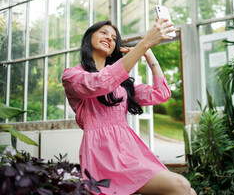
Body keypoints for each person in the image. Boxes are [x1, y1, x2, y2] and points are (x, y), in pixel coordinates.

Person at [62, 19, 196, 195]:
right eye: (103, 32)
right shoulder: (73, 75)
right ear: (89, 38)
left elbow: (161, 92)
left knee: (189, 191)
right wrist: (145, 42)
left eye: (114, 38)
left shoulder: (123, 85)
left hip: (130, 150)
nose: (109, 38)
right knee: (181, 185)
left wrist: (148, 54)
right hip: (103, 153)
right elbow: (100, 82)